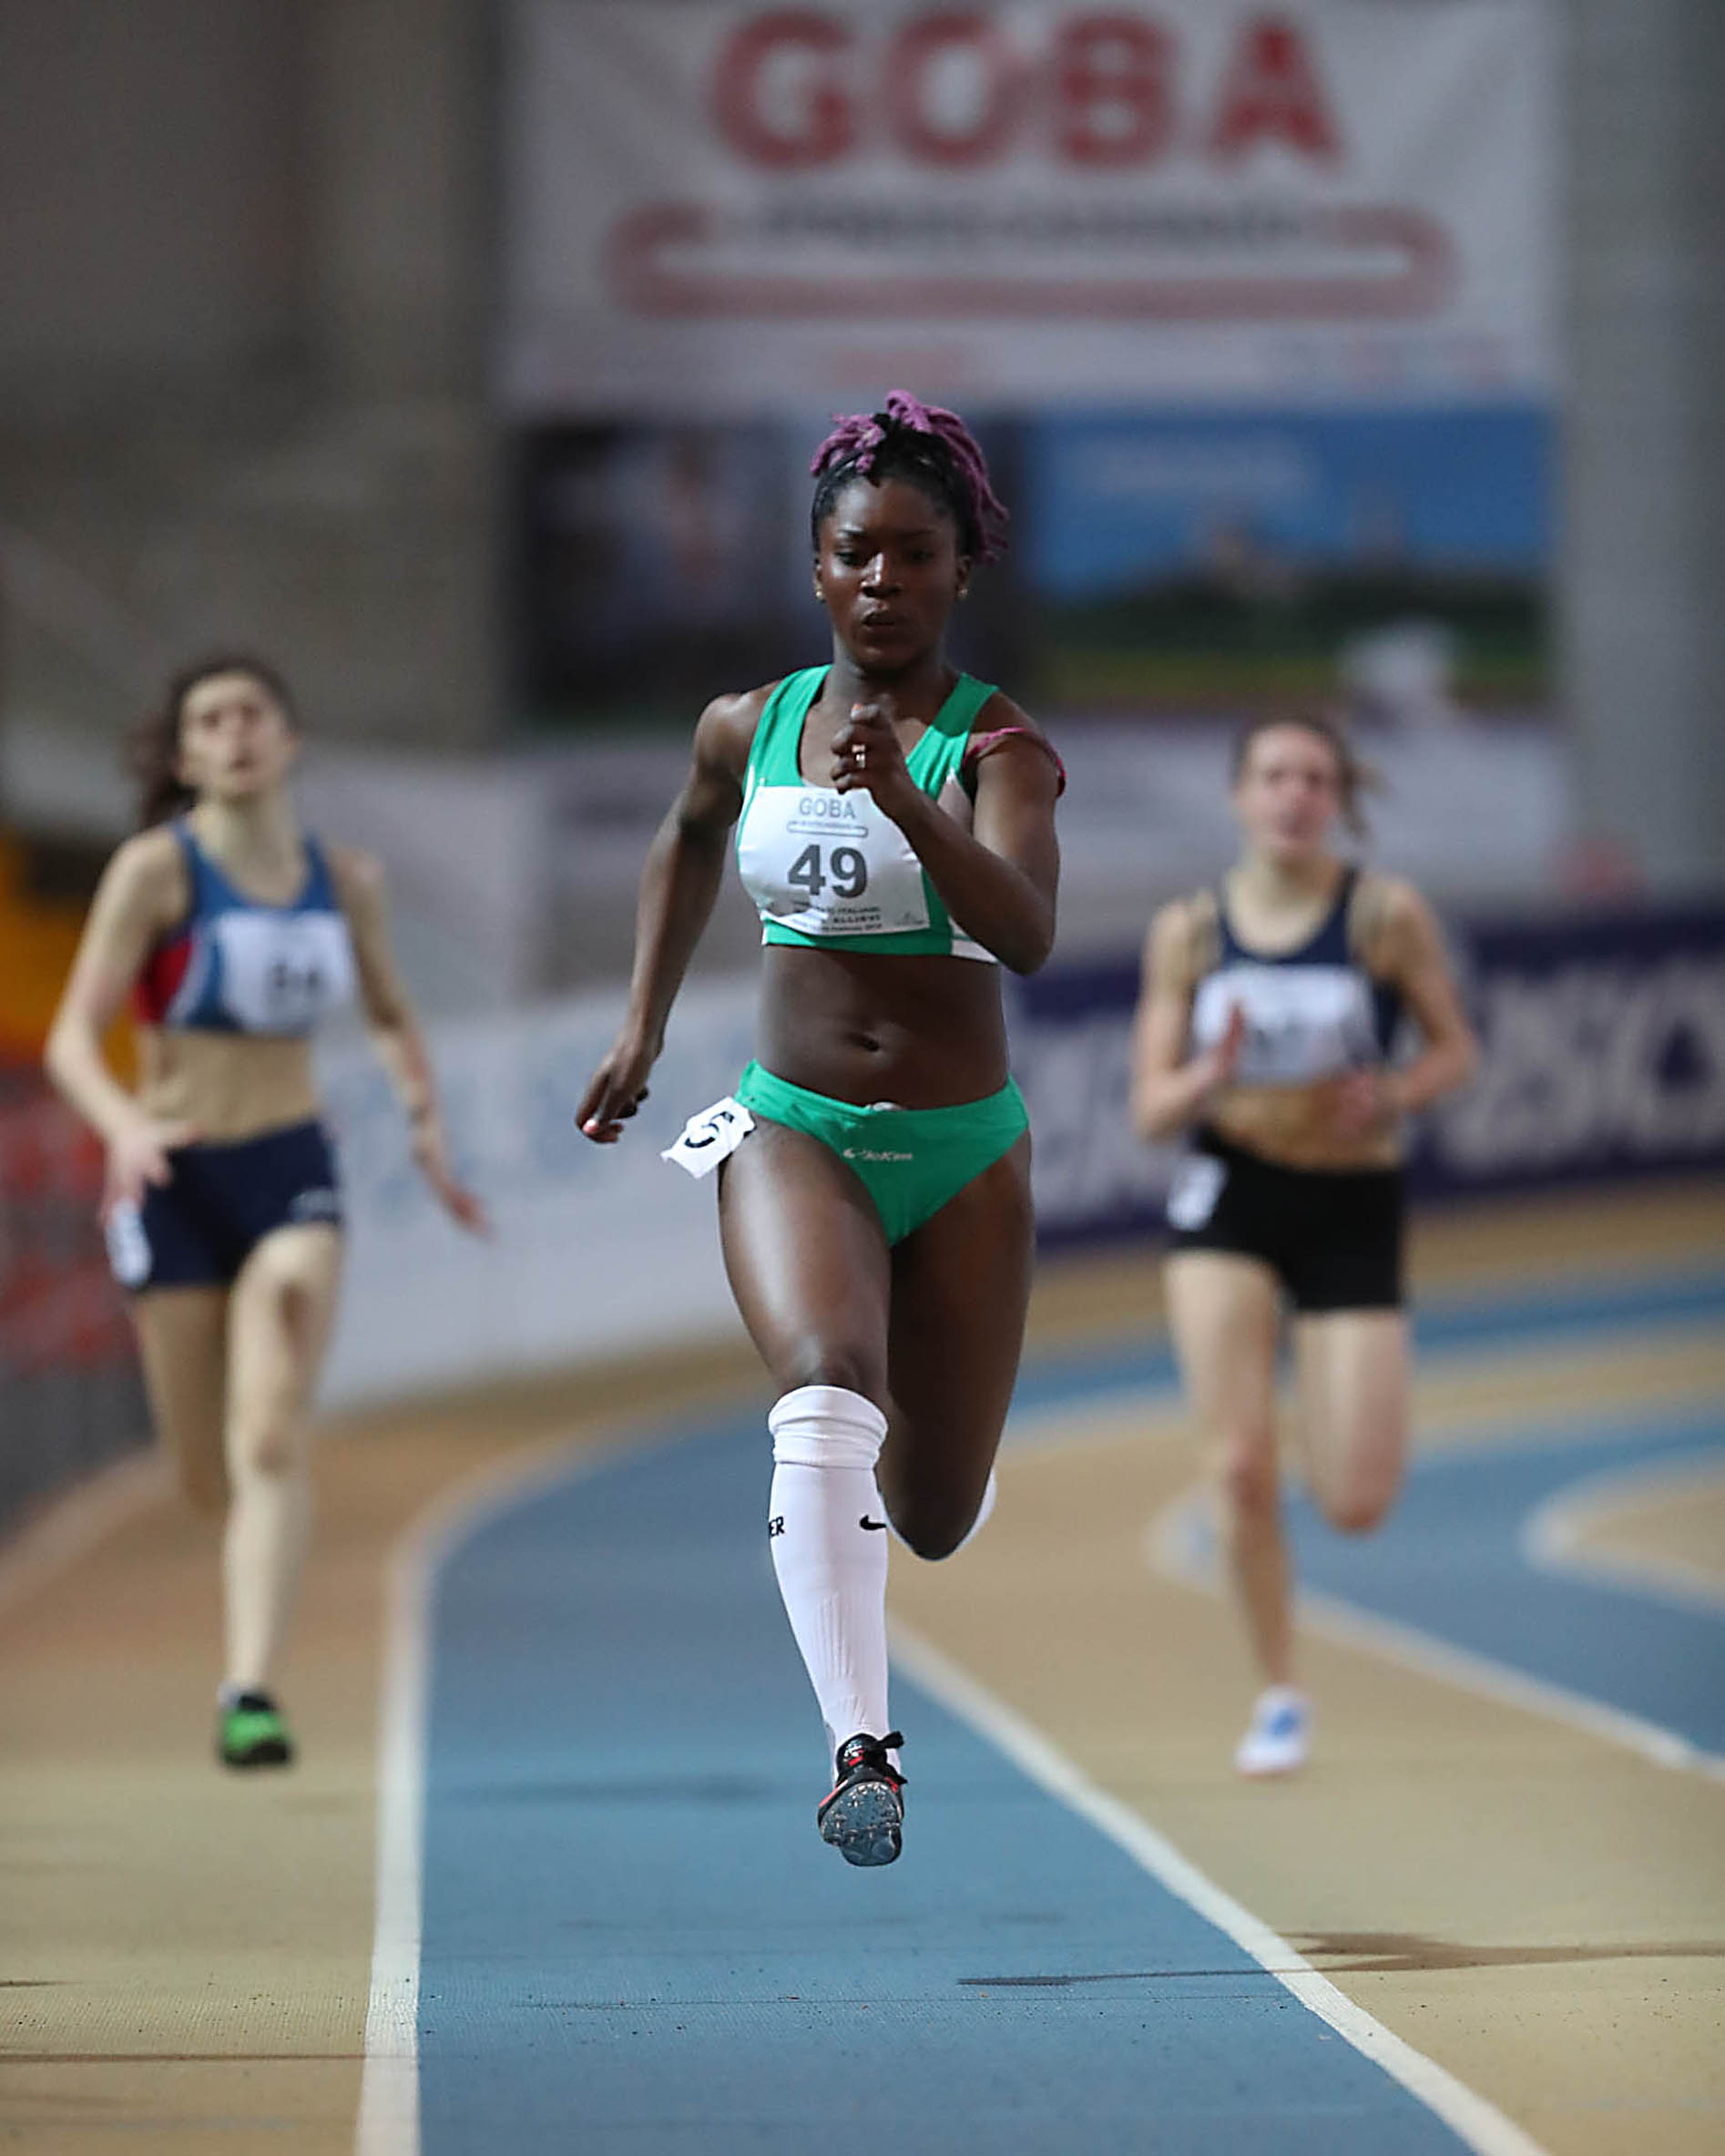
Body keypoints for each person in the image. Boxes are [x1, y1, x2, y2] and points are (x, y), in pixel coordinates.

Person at [577, 394, 1063, 1865]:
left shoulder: (1000, 748)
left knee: (932, 1510)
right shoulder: (750, 723)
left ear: (961, 569)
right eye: (856, 553)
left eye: (914, 554)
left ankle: (919, 1467)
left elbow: (1026, 932)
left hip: (961, 1148)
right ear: (814, 567)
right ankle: (864, 1747)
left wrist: (910, 804)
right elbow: (685, 834)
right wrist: (642, 1026)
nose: (882, 581)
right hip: (791, 1124)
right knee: (826, 1382)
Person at [45, 655, 486, 1768]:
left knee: (271, 1428)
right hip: (175, 1177)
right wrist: (124, 1126)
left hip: (290, 1164)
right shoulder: (157, 871)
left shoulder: (345, 880)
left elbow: (390, 1014)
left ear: (288, 740)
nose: (235, 732)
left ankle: (248, 1692)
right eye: (210, 720)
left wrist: (424, 1124)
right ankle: (220, 1499)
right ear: (186, 754)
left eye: (252, 714)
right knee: (205, 1473)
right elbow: (70, 1038)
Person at [1130, 715, 1477, 1776]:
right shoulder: (1190, 930)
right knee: (1239, 1468)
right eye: (1274, 775)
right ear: (1239, 794)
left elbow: (1454, 1051)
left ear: (1337, 799)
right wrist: (1208, 1073)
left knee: (1355, 1501)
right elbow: (1149, 1110)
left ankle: (1319, 1433)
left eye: (1314, 779)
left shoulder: (1381, 915)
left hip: (1350, 1201)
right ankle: (1279, 1691)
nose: (1292, 795)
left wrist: (1396, 1092)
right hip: (1230, 1194)